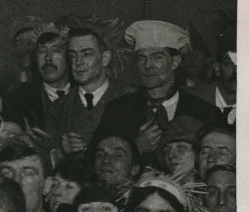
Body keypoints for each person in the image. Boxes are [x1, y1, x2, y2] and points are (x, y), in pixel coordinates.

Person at [92, 20, 222, 159]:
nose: (148, 65)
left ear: (175, 62)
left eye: (157, 57)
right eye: (142, 58)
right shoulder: (118, 110)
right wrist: (135, 149)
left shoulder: (204, 111)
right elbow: (94, 162)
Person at [54, 26, 124, 158]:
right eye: (72, 55)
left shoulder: (129, 102)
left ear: (105, 58)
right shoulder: (57, 110)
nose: (78, 62)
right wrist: (60, 153)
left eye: (86, 54)